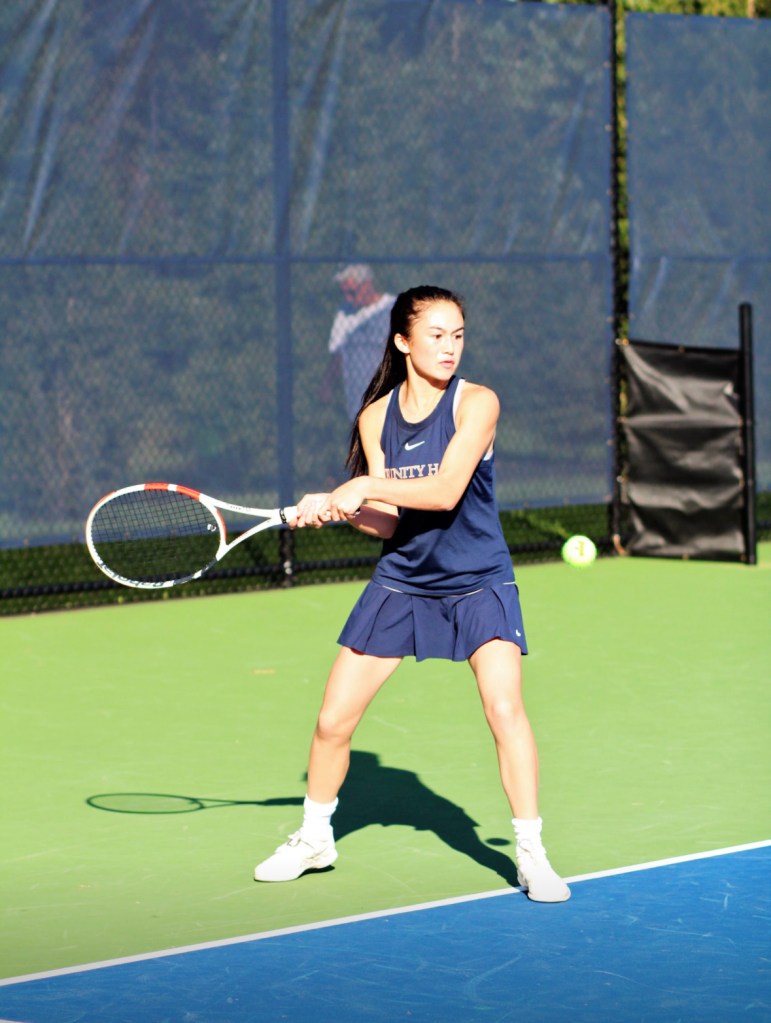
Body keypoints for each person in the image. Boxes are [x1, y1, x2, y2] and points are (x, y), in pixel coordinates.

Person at [255, 285, 570, 903]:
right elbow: (389, 520)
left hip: (479, 579)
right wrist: (343, 508)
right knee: (332, 720)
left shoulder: (477, 403)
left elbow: (446, 491)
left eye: (458, 336)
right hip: (402, 582)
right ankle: (315, 838)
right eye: (436, 335)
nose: (450, 348)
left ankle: (531, 854)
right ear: (402, 341)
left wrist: (361, 485)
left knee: (504, 710)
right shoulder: (376, 418)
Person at [323, 264, 395, 420]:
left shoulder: (392, 309)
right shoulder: (345, 313)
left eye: (352, 292)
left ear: (367, 285)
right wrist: (327, 384)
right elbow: (338, 354)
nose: (348, 298)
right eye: (344, 293)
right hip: (358, 405)